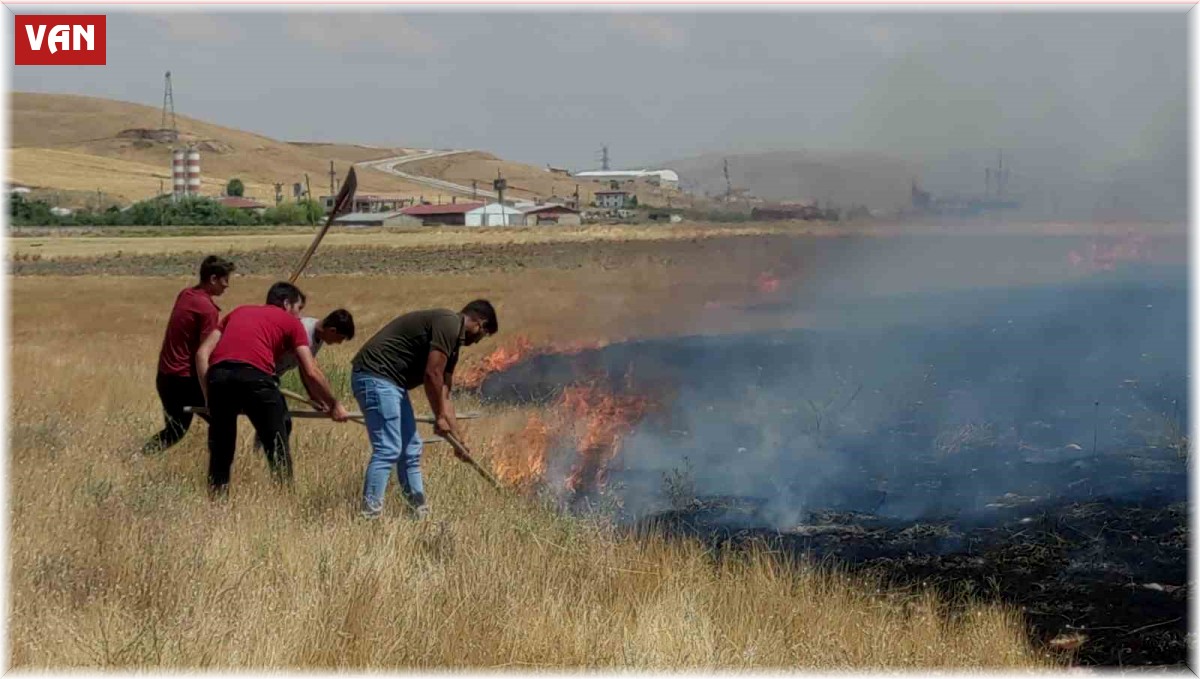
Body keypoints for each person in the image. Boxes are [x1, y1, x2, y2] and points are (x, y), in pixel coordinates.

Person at [196, 281, 350, 495]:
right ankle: (284, 496)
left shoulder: (238, 311)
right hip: (256, 379)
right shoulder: (293, 323)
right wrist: (334, 404)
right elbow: (311, 371)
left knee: (221, 448)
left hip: (218, 377)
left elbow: (202, 354)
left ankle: (217, 498)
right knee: (277, 444)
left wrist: (209, 397)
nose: (299, 315)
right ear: (287, 304)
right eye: (298, 308)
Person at [350, 300, 498, 519]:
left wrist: (458, 440)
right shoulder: (449, 323)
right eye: (483, 335)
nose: (477, 341)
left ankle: (419, 513)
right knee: (388, 448)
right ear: (480, 323)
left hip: (393, 383)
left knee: (411, 449)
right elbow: (432, 374)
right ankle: (369, 516)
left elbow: (444, 394)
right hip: (375, 375)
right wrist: (439, 417)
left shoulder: (453, 345)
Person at [142, 255, 235, 455]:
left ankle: (138, 456)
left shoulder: (186, 294)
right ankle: (219, 466)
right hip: (183, 380)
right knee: (222, 419)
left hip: (165, 377)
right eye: (225, 280)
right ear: (213, 279)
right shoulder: (207, 310)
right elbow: (205, 354)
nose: (227, 285)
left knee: (175, 430)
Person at [259, 308, 356, 451]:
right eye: (340, 338)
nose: (339, 343)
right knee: (280, 421)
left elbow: (304, 368)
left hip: (271, 378)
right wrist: (334, 404)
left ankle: (262, 452)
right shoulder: (304, 330)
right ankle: (269, 456)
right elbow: (311, 372)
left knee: (276, 420)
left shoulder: (319, 338)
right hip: (260, 373)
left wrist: (315, 397)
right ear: (332, 330)